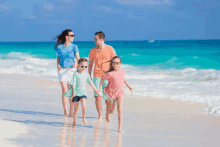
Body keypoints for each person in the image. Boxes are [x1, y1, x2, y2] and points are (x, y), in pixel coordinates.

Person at [98, 56, 133, 132]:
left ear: (120, 63)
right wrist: (100, 88)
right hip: (111, 93)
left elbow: (124, 80)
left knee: (120, 109)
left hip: (120, 93)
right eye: (113, 63)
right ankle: (108, 112)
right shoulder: (110, 74)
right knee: (111, 110)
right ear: (112, 64)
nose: (115, 65)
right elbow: (102, 78)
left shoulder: (123, 71)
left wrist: (129, 87)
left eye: (117, 63)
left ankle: (120, 127)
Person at [88, 31, 116, 121]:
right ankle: (100, 116)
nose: (94, 41)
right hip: (96, 76)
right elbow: (90, 63)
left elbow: (115, 61)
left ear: (101, 39)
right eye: (94, 39)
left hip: (107, 76)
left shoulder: (110, 49)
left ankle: (108, 114)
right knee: (97, 96)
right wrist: (89, 74)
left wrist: (115, 73)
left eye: (96, 39)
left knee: (107, 98)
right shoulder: (93, 50)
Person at [69, 58, 102, 126]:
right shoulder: (75, 74)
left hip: (83, 93)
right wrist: (73, 94)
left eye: (85, 67)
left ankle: (83, 118)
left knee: (84, 106)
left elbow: (91, 83)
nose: (84, 68)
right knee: (76, 109)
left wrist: (97, 91)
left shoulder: (86, 74)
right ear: (78, 65)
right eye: (82, 66)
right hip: (76, 94)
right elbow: (73, 84)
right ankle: (74, 121)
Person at [54, 29, 80, 117]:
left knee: (71, 91)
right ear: (67, 37)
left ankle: (71, 110)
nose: (73, 37)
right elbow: (58, 58)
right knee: (65, 90)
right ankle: (65, 111)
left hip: (72, 71)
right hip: (62, 71)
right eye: (72, 35)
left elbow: (78, 58)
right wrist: (57, 65)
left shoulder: (74, 46)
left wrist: (77, 63)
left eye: (73, 35)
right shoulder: (59, 47)